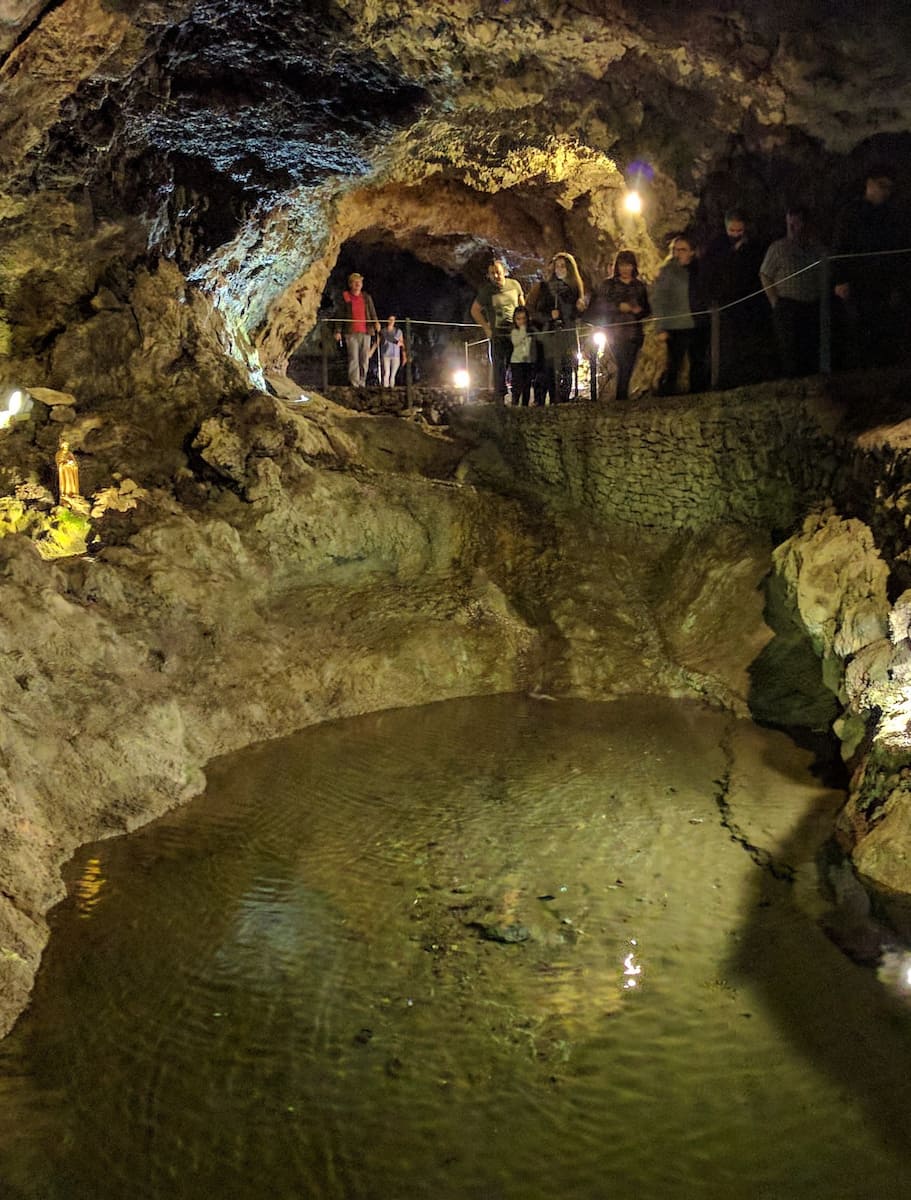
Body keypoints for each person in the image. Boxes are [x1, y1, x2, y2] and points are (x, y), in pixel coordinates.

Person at [832, 164, 905, 368]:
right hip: (858, 282)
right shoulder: (851, 212)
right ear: (869, 183)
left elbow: (895, 251)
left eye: (889, 187)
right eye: (882, 185)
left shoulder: (889, 215)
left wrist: (896, 284)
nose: (885, 192)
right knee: (858, 330)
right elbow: (840, 246)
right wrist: (840, 279)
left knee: (882, 330)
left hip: (881, 282)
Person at [701, 208, 769, 386]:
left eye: (740, 231)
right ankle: (723, 381)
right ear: (726, 227)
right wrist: (711, 299)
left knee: (747, 345)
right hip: (724, 305)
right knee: (724, 346)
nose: (736, 234)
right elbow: (708, 274)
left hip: (748, 304)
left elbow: (758, 274)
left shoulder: (754, 247)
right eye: (732, 231)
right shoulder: (716, 246)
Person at [760, 206, 826, 377]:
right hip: (788, 306)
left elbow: (825, 270)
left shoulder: (815, 248)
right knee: (789, 350)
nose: (793, 228)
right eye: (790, 224)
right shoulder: (778, 248)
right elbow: (765, 274)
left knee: (810, 349)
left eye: (796, 224)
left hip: (811, 305)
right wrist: (775, 301)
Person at [650, 235, 709, 395]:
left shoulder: (700, 269)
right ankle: (667, 399)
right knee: (674, 365)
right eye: (675, 250)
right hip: (676, 325)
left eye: (682, 250)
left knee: (699, 362)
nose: (678, 253)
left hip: (698, 322)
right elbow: (659, 300)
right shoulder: (667, 271)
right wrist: (660, 327)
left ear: (691, 252)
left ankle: (698, 396)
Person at [594, 250, 651, 401]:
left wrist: (638, 311)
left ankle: (621, 398)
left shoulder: (639, 286)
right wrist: (619, 307)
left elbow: (647, 309)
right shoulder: (609, 285)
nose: (625, 269)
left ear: (633, 267)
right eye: (622, 265)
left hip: (634, 333)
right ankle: (621, 398)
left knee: (629, 365)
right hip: (615, 332)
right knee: (622, 364)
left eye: (628, 265)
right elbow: (601, 306)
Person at [530, 252, 587, 403]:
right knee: (551, 367)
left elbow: (578, 315)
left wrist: (581, 309)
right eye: (557, 266)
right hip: (552, 333)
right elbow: (536, 312)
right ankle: (551, 398)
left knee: (568, 365)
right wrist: (550, 315)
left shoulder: (575, 290)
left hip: (568, 331)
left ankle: (564, 398)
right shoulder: (546, 289)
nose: (560, 269)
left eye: (563, 266)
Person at [470, 258, 524, 403]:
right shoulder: (487, 291)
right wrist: (486, 328)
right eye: (492, 273)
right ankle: (500, 400)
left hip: (515, 334)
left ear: (504, 272)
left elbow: (521, 305)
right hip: (498, 334)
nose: (496, 276)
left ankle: (517, 398)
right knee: (499, 367)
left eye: (498, 272)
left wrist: (523, 326)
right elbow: (475, 310)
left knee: (517, 366)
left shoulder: (514, 285)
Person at [334, 272, 381, 387]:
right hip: (351, 332)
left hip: (366, 331)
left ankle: (362, 381)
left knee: (364, 358)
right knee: (353, 358)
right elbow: (340, 315)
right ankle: (354, 383)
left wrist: (376, 322)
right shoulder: (346, 297)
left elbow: (372, 312)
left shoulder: (366, 297)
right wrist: (338, 331)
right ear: (350, 284)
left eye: (359, 282)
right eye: (355, 282)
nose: (358, 284)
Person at [509, 306, 537, 406]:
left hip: (528, 362)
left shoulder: (531, 331)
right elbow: (516, 342)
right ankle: (515, 403)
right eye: (518, 319)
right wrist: (522, 330)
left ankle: (525, 405)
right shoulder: (514, 332)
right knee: (517, 385)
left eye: (524, 318)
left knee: (527, 385)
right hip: (517, 362)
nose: (521, 321)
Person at [379, 315, 406, 388]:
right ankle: (385, 388)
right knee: (386, 373)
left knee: (393, 375)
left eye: (393, 320)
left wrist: (404, 356)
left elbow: (402, 344)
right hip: (386, 355)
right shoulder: (383, 331)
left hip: (395, 355)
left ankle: (391, 388)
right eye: (390, 319)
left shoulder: (398, 331)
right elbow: (378, 342)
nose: (391, 321)